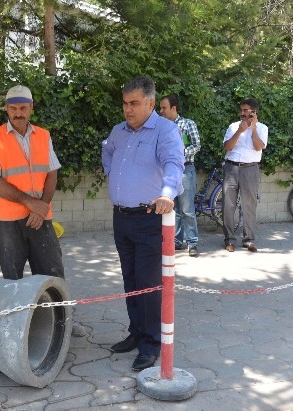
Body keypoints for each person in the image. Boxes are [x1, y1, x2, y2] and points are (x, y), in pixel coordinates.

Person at [0, 84, 86, 336]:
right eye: (13, 108)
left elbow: (52, 173)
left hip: (40, 217)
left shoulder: (43, 136)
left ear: (31, 109)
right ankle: (17, 330)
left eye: (23, 108)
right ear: (6, 109)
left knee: (52, 272)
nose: (18, 113)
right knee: (12, 277)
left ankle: (63, 323)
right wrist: (30, 203)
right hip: (6, 220)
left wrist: (41, 207)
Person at [102, 76, 184, 371]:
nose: (128, 109)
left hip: (150, 219)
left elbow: (175, 164)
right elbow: (107, 151)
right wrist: (111, 174)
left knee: (149, 285)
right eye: (125, 103)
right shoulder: (119, 131)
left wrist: (167, 193)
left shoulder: (165, 131)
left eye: (134, 103)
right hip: (121, 218)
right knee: (130, 280)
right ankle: (136, 333)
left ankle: (151, 344)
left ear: (150, 103)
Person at [222, 98, 268, 252]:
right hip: (232, 168)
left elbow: (258, 147)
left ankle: (249, 240)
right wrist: (240, 131)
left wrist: (252, 128)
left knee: (249, 205)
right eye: (241, 110)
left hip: (250, 169)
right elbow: (227, 147)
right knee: (228, 206)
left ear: (254, 112)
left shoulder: (262, 128)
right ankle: (229, 240)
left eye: (246, 110)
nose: (243, 113)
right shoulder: (233, 126)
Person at [159, 94, 201, 257]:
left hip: (185, 170)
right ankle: (177, 241)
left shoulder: (187, 124)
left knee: (187, 209)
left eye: (164, 108)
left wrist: (179, 154)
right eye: (160, 108)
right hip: (168, 172)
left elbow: (196, 145)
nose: (161, 111)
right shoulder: (161, 127)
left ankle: (192, 243)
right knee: (173, 208)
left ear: (173, 108)